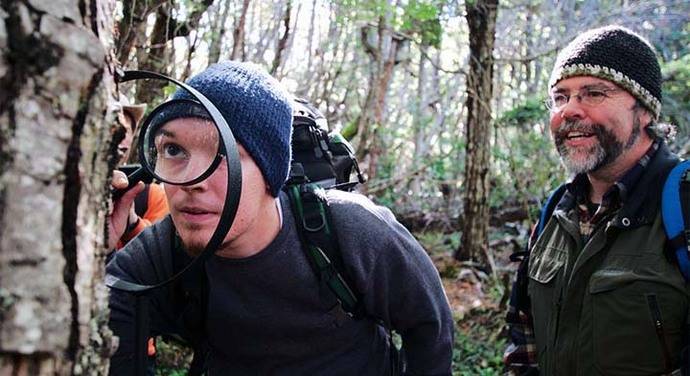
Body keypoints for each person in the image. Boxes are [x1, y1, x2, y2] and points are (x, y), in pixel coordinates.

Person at [107, 61, 454, 375]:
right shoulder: (161, 252)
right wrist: (90, 251)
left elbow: (430, 325)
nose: (193, 181)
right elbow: (106, 322)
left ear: (271, 175)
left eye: (225, 154)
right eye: (173, 150)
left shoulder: (351, 230)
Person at [503, 25, 686, 375]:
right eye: (560, 97)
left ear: (644, 109)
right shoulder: (555, 213)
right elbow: (522, 336)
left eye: (593, 93)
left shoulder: (683, 206)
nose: (569, 111)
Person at [112, 100, 168, 249]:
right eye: (111, 126)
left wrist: (131, 223)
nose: (117, 136)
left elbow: (162, 252)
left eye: (124, 130)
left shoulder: (152, 195)